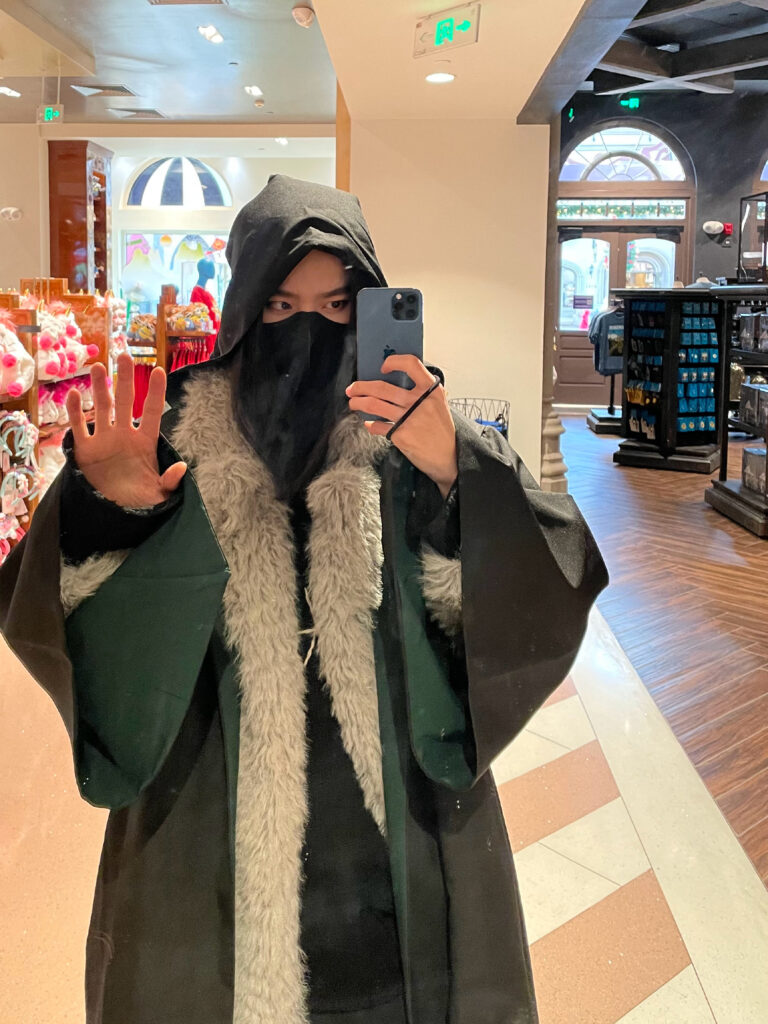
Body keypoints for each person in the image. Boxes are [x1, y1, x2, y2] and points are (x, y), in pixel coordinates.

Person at [0, 175, 607, 1024]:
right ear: (244, 310)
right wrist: (113, 515)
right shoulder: (171, 440)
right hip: (209, 811)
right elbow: (63, 619)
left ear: (370, 307)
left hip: (395, 819)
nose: (306, 331)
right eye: (281, 307)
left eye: (337, 306)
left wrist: (458, 470)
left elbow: (542, 577)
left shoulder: (414, 435)